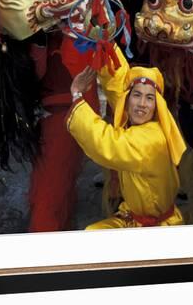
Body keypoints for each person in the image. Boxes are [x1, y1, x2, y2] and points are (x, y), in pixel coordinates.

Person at [66, 46, 186, 229]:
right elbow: (119, 83)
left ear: (157, 106)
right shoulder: (137, 122)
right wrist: (106, 43)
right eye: (136, 95)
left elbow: (107, 142)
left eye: (149, 98)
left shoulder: (152, 139)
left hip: (157, 229)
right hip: (132, 217)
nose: (142, 104)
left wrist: (77, 95)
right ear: (127, 100)